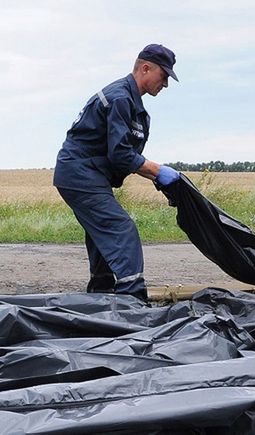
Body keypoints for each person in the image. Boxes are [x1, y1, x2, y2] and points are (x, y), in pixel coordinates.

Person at [53, 44, 181, 303]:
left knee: (102, 232)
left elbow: (122, 157)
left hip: (86, 174)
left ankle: (101, 295)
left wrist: (157, 178)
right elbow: (121, 155)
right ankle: (131, 301)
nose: (165, 84)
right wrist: (157, 170)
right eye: (164, 76)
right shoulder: (120, 98)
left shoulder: (131, 103)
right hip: (79, 173)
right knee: (121, 229)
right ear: (145, 68)